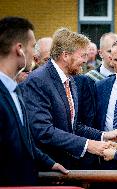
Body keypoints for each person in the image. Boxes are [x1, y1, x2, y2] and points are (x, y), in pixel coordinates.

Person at [20, 28, 117, 169]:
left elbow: (73, 126)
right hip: (45, 168)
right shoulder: (38, 80)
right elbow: (43, 130)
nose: (85, 60)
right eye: (82, 55)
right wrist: (88, 145)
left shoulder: (71, 80)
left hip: (64, 167)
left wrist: (104, 135)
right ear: (66, 55)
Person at [0, 16, 68, 186]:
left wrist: (48, 162)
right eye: (32, 46)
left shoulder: (15, 91)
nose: (34, 53)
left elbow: (24, 141)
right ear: (19, 49)